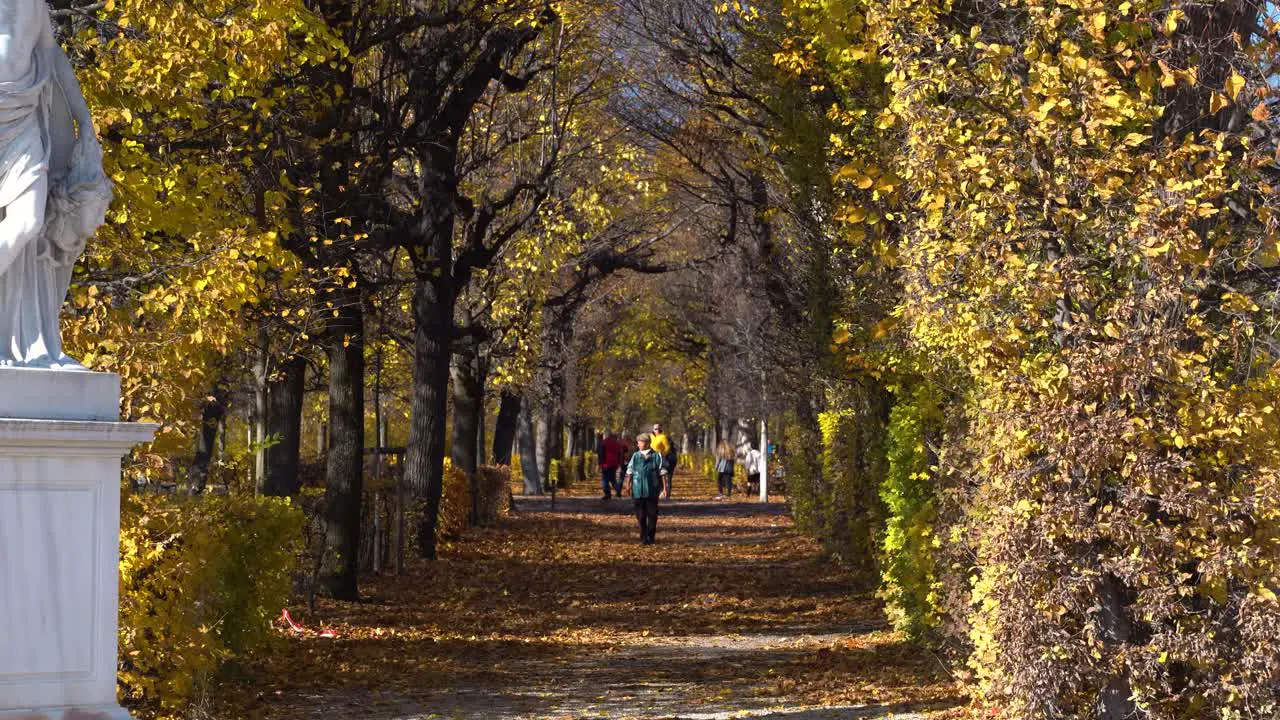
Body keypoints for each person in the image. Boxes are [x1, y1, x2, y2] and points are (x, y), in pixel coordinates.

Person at [624, 432, 667, 544]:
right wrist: (627, 485)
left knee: (652, 515)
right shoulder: (635, 456)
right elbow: (629, 471)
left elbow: (663, 472)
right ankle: (643, 537)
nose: (638, 444)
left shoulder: (657, 456)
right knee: (640, 516)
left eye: (640, 442)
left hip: (652, 490)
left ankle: (651, 537)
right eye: (638, 442)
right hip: (637, 491)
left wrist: (664, 489)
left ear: (646, 443)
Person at [650, 422, 677, 499]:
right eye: (655, 429)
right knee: (656, 476)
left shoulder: (663, 437)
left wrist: (662, 455)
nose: (657, 430)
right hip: (652, 459)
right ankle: (660, 491)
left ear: (661, 429)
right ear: (653, 429)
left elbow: (667, 447)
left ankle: (667, 494)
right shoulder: (651, 437)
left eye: (658, 428)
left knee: (666, 476)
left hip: (664, 459)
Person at [599, 431, 625, 499]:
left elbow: (601, 453)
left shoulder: (604, 442)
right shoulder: (617, 444)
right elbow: (620, 454)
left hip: (605, 464)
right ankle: (618, 490)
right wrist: (619, 463)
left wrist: (600, 463)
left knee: (605, 479)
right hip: (614, 464)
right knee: (613, 479)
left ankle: (607, 493)